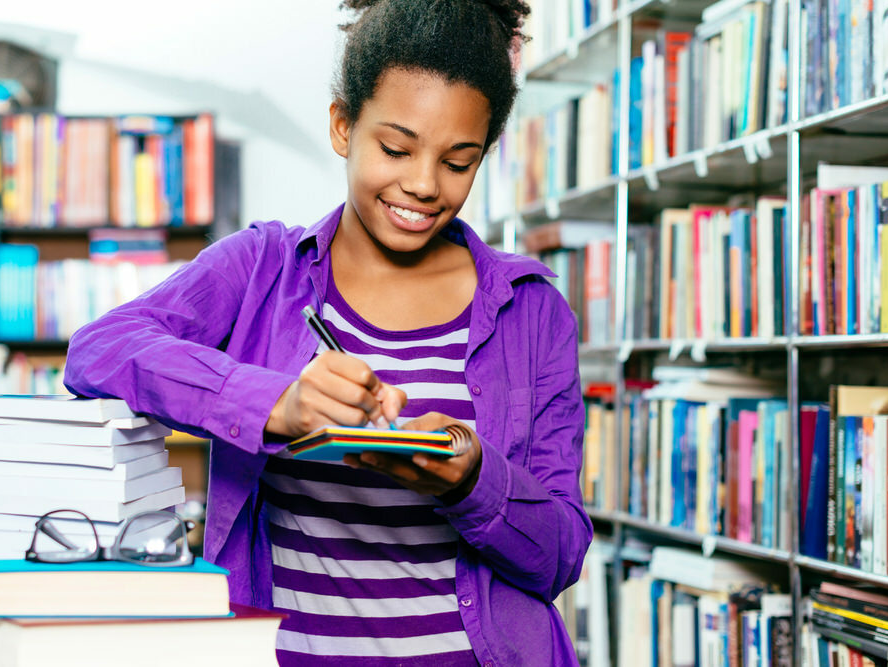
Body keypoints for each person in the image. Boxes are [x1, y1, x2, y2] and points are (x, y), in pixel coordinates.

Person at [64, 0, 592, 664]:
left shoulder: (531, 309)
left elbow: (561, 553)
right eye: (395, 147)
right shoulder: (260, 268)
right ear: (344, 125)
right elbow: (97, 351)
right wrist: (276, 405)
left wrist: (472, 478)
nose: (424, 184)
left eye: (458, 161)